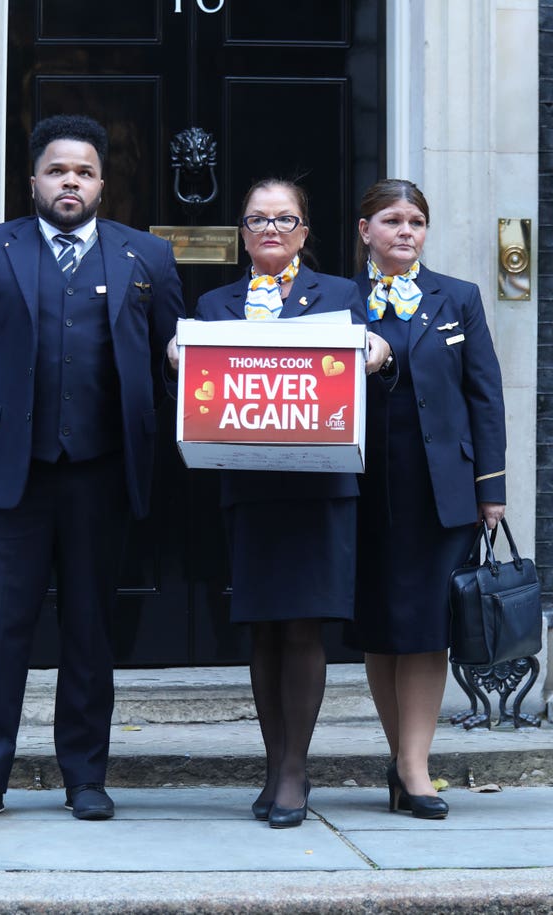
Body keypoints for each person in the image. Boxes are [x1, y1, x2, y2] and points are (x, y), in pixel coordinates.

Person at [0, 114, 184, 823]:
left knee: (89, 630)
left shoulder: (147, 257)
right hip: (11, 477)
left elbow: (175, 362)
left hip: (101, 476)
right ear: (34, 179)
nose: (69, 181)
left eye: (83, 171)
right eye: (56, 170)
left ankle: (85, 776)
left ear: (103, 182)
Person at [194, 178, 391, 828]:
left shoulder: (342, 294)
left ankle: (293, 771)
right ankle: (273, 759)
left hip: (318, 488)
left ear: (305, 231)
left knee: (303, 625)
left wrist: (381, 351)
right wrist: (178, 357)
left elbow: (381, 355)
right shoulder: (214, 303)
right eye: (258, 219)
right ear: (242, 233)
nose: (271, 228)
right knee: (263, 625)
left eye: (285, 218)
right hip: (250, 488)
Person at [348, 178, 506, 819]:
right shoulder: (335, 297)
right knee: (382, 628)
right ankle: (402, 758)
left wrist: (490, 488)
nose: (405, 231)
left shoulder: (459, 298)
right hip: (360, 486)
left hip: (442, 490)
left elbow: (484, 395)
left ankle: (415, 768)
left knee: (427, 631)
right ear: (366, 231)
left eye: (416, 220)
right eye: (391, 220)